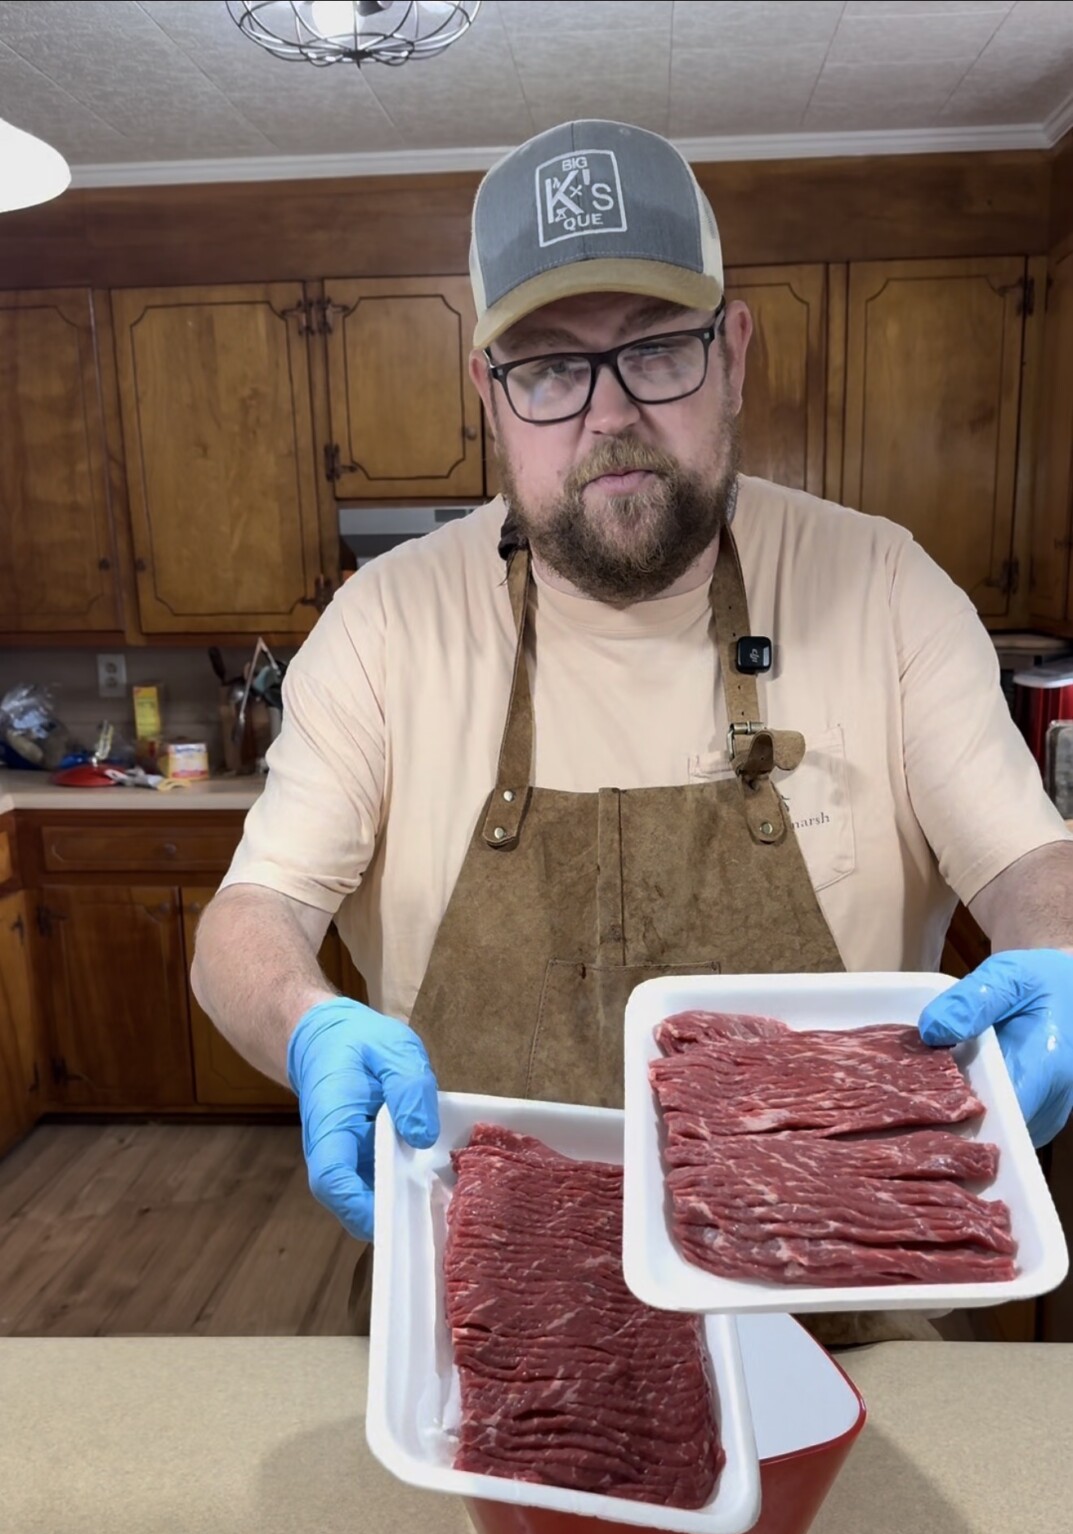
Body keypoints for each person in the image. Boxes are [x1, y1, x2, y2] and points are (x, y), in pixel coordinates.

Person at [190, 118, 1073, 1347]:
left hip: (842, 1314)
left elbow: (1029, 866)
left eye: (655, 347)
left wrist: (1064, 959)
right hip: (478, 1320)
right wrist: (302, 1020)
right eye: (548, 368)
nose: (607, 416)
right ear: (487, 395)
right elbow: (251, 917)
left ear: (734, 353)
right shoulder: (385, 624)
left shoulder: (880, 586)